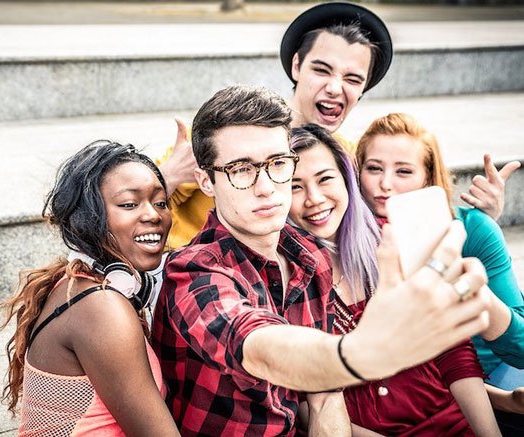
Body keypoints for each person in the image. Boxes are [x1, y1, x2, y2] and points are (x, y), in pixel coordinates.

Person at [152, 84, 491, 436]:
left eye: (278, 164)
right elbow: (258, 346)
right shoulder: (193, 272)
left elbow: (325, 398)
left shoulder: (309, 255)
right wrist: (359, 353)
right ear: (206, 181)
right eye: (241, 169)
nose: (266, 186)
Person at [157, 2, 513, 250]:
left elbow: (404, 214)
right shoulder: (227, 137)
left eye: (352, 78)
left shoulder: (347, 154)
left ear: (362, 90)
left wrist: (483, 220)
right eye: (322, 70)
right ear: (297, 66)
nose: (334, 87)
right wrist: (169, 176)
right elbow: (135, 214)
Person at [288, 123, 499, 436]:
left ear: (347, 179)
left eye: (325, 179)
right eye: (295, 186)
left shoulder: (394, 239)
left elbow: (452, 350)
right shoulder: (281, 279)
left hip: (450, 420)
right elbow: (302, 404)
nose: (314, 198)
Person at [356, 112, 524, 432]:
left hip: (483, 376)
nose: (385, 184)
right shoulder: (353, 239)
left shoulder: (473, 229)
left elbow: (521, 348)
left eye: (404, 171)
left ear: (428, 177)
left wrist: (481, 300)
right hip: (418, 394)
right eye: (374, 168)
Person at [0, 141, 179, 436]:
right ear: (89, 218)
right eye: (129, 204)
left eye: (160, 202)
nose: (154, 215)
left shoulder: (79, 282)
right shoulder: (102, 308)